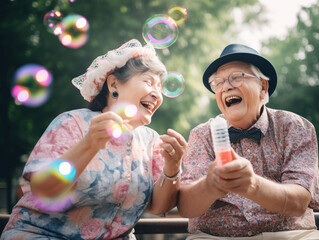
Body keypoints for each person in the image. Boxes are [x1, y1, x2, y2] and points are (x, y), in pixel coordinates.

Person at [1, 39, 187, 240]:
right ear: (114, 83)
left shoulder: (151, 141)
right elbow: (42, 189)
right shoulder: (72, 123)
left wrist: (173, 166)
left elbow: (159, 207)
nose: (156, 94)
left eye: (159, 88)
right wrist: (89, 144)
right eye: (149, 82)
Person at [177, 44, 319, 239]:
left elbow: (299, 202)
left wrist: (253, 185)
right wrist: (210, 186)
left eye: (237, 77)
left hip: (293, 235)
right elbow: (186, 208)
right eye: (218, 82)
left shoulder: (295, 127)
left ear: (263, 88)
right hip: (217, 237)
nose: (226, 86)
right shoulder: (202, 135)